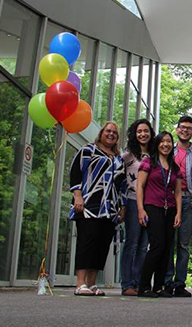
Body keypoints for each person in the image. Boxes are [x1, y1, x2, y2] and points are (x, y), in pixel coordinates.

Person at [69, 121, 126, 296]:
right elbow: (75, 172)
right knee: (87, 243)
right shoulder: (88, 150)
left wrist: (122, 206)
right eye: (108, 131)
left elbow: (122, 185)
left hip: (109, 210)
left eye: (115, 133)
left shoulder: (118, 158)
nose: (111, 134)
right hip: (89, 205)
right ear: (101, 133)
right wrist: (77, 195)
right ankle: (80, 283)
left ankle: (92, 283)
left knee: (102, 246)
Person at [137, 132, 183, 298]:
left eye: (169, 141)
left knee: (167, 248)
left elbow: (178, 192)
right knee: (157, 246)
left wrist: (178, 212)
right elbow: (140, 186)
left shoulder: (174, 167)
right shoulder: (149, 162)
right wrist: (140, 209)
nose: (166, 144)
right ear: (157, 144)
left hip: (170, 209)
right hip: (152, 207)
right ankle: (143, 286)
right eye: (162, 141)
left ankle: (158, 286)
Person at [164, 116, 192, 297]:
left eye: (189, 128)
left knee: (183, 245)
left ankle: (180, 284)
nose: (185, 130)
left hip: (188, 201)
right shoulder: (168, 149)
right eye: (182, 127)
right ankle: (166, 282)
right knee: (168, 242)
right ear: (177, 129)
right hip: (168, 201)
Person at [120, 119, 154, 296]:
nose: (143, 134)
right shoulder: (128, 155)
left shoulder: (154, 154)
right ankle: (127, 284)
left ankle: (139, 283)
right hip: (132, 201)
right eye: (139, 131)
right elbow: (117, 176)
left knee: (143, 246)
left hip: (150, 203)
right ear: (134, 134)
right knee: (131, 243)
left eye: (146, 131)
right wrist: (122, 203)